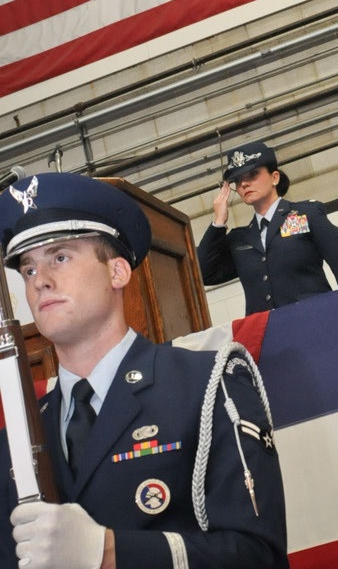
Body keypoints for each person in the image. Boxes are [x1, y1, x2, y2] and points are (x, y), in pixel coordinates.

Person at [0, 172, 288, 569]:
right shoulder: (16, 440)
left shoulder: (206, 386)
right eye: (29, 269)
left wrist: (108, 550)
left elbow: (258, 558)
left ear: (117, 272)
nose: (40, 283)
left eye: (61, 257)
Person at [197, 142, 338, 314]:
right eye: (238, 181)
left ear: (274, 177)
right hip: (266, 334)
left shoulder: (306, 215)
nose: (244, 184)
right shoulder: (240, 239)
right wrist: (218, 223)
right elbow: (203, 274)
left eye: (252, 175)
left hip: (315, 323)